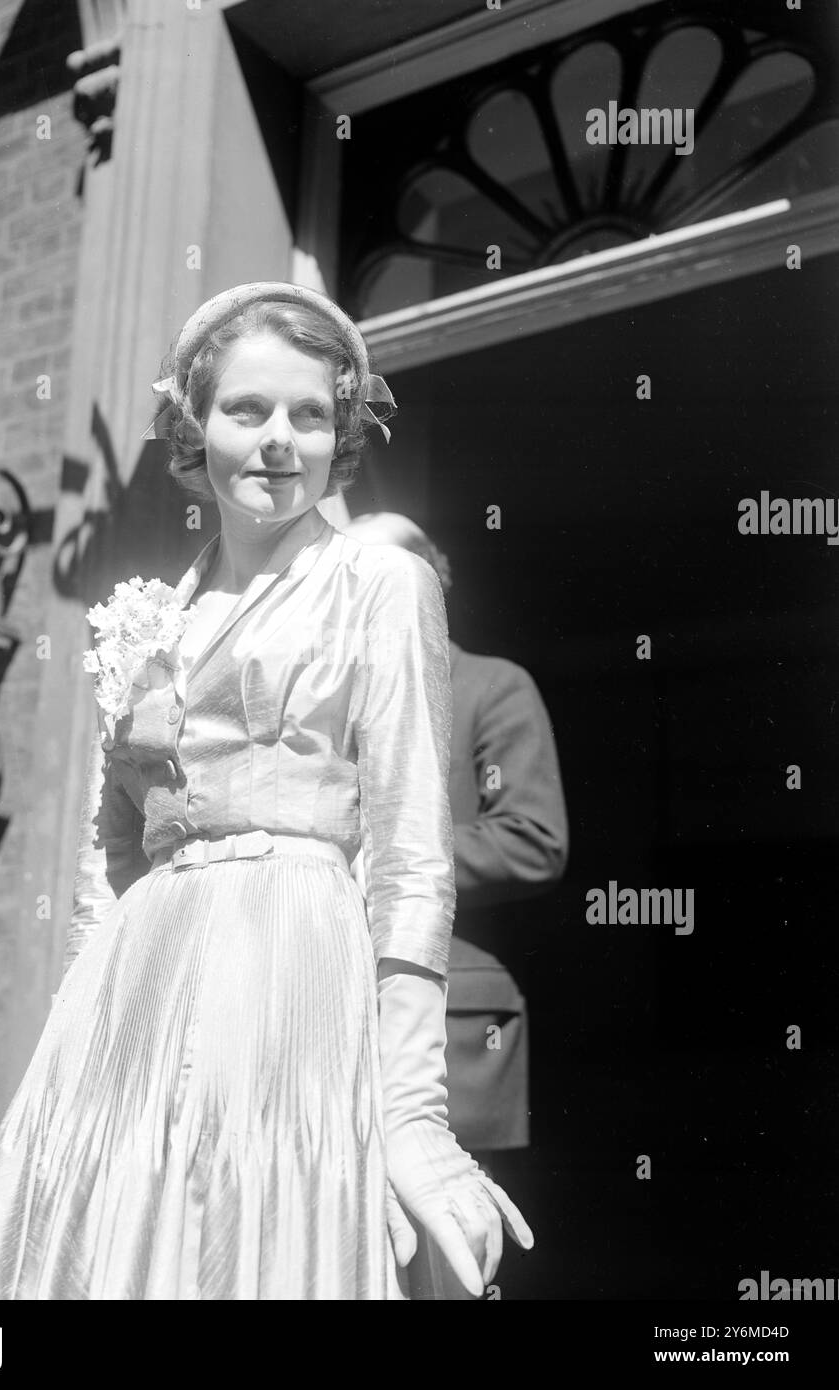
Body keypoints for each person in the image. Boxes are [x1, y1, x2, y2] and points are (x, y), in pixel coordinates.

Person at [0, 283, 532, 1301]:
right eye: (248, 409)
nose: (280, 441)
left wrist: (411, 1113)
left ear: (341, 432)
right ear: (194, 425)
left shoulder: (380, 585)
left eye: (311, 415)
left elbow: (409, 857)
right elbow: (111, 850)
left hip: (293, 972)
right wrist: (94, 1017)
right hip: (136, 993)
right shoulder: (143, 613)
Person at [346, 513, 568, 1296]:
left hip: (449, 1028)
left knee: (450, 1269)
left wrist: (384, 863)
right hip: (324, 1001)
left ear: (428, 587)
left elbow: (533, 838)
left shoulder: (489, 686)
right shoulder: (326, 696)